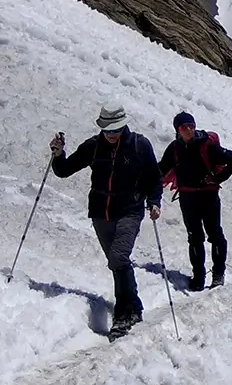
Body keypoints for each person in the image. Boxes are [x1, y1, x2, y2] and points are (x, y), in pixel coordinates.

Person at [49, 103, 162, 338]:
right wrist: (58, 155)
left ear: (123, 126)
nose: (111, 135)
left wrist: (154, 202)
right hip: (101, 213)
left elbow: (154, 178)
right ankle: (134, 306)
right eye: (107, 130)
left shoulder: (139, 146)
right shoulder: (94, 146)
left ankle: (123, 315)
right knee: (116, 263)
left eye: (115, 130)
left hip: (130, 210)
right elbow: (64, 170)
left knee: (118, 258)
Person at [158, 111, 232, 291]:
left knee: (214, 235)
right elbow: (161, 170)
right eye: (184, 127)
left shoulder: (206, 145)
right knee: (195, 238)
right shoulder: (174, 149)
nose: (189, 130)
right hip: (189, 197)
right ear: (177, 130)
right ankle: (199, 277)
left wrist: (218, 179)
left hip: (206, 196)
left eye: (191, 126)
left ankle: (217, 274)